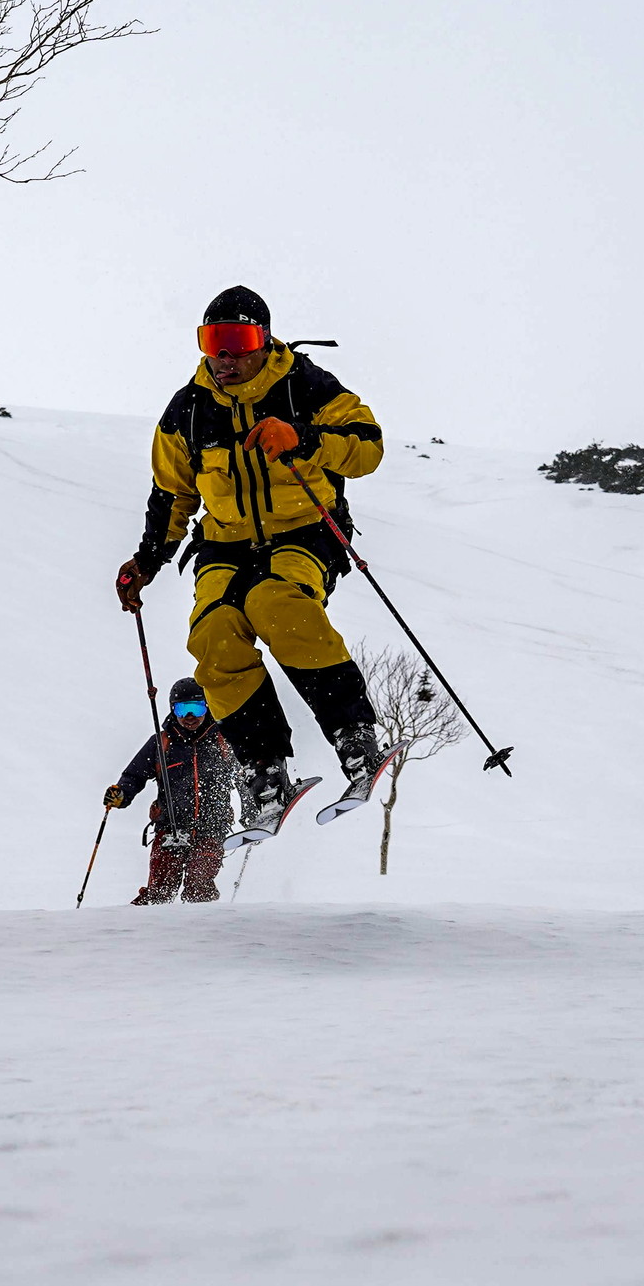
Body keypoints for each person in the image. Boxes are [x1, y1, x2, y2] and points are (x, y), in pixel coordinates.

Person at [116, 286, 385, 833]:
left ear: (264, 339)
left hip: (306, 530)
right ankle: (265, 770)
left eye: (238, 341)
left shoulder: (306, 386)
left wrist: (304, 437)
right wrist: (147, 561)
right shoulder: (187, 411)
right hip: (225, 542)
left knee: (277, 604)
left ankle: (356, 739)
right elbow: (171, 494)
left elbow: (367, 446)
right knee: (212, 635)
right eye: (214, 341)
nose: (226, 357)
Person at [104, 677, 247, 903]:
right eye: (182, 709)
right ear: (173, 710)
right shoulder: (161, 743)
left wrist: (251, 809)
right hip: (170, 827)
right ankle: (139, 928)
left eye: (196, 707)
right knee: (159, 889)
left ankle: (203, 930)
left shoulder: (223, 740)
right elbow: (134, 775)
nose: (190, 717)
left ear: (207, 706)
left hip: (211, 828)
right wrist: (121, 794)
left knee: (199, 886)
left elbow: (243, 777)